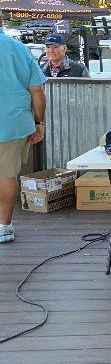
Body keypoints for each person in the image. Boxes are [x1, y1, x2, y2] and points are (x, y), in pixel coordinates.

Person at [0, 15, 46, 244]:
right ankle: (4, 226)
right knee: (6, 175)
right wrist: (39, 122)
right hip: (12, 123)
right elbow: (37, 91)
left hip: (12, 122)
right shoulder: (18, 49)